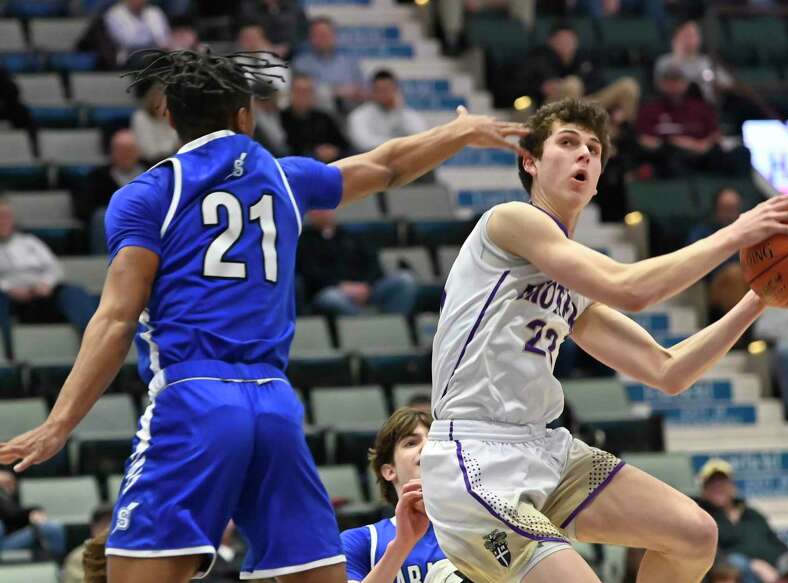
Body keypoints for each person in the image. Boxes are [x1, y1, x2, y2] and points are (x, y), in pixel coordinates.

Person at [0, 49, 525, 583]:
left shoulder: (148, 194)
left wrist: (60, 423)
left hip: (195, 396)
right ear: (246, 115)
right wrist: (458, 133)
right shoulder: (282, 177)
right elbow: (386, 165)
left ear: (168, 117)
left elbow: (115, 319)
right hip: (274, 403)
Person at [420, 97, 788, 583]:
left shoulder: (573, 280)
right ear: (530, 161)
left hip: (544, 448)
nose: (583, 154)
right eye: (567, 143)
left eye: (593, 148)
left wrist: (758, 298)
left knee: (694, 534)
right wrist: (736, 233)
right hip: (474, 457)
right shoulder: (510, 222)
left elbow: (667, 370)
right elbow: (633, 289)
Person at [341, 407, 469, 583]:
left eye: (434, 440)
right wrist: (402, 545)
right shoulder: (361, 541)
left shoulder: (480, 528)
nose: (428, 446)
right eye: (411, 443)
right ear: (389, 471)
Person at [696, 459, 788, 583]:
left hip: (779, 570)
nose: (717, 487)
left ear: (732, 486)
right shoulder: (702, 517)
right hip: (746, 572)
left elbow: (776, 542)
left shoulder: (751, 513)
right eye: (711, 484)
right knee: (738, 564)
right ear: (703, 489)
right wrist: (755, 565)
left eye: (722, 482)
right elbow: (710, 555)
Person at [0, 200, 98, 361]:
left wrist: (46, 284)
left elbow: (55, 268)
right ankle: (8, 357)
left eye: (6, 216)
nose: (3, 221)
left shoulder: (29, 242)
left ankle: (93, 350)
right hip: (9, 299)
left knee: (75, 293)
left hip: (42, 293)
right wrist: (8, 288)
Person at [636, 59, 748, 178]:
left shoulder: (700, 107)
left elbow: (714, 135)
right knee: (670, 161)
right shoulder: (649, 109)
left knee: (738, 155)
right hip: (668, 157)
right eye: (669, 80)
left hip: (701, 154)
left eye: (677, 80)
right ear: (661, 83)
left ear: (686, 83)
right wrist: (671, 143)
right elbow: (644, 139)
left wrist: (699, 145)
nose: (673, 85)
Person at [297, 209, 418, 317]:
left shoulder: (353, 237)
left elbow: (374, 266)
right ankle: (365, 323)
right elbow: (309, 273)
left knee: (405, 281)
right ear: (310, 213)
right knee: (331, 298)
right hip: (331, 291)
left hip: (367, 290)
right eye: (318, 208)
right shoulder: (303, 242)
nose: (323, 212)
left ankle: (391, 325)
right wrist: (340, 286)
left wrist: (366, 286)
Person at [517, 23, 640, 122]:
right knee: (572, 84)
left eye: (570, 39)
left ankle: (624, 132)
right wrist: (541, 88)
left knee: (628, 85)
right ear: (551, 41)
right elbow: (518, 88)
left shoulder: (585, 59)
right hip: (552, 107)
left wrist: (614, 108)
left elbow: (599, 83)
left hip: (586, 103)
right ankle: (573, 132)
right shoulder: (538, 59)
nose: (566, 43)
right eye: (562, 40)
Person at [75, 129, 145, 253]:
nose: (125, 155)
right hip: (114, 225)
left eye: (129, 150)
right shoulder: (97, 177)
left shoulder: (154, 173)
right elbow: (85, 209)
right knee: (100, 217)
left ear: (138, 152)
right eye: (120, 150)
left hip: (146, 222)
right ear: (112, 152)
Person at [687, 187, 750, 325]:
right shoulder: (702, 232)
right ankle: (741, 332)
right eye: (726, 209)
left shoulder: (749, 231)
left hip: (747, 279)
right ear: (716, 209)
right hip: (712, 284)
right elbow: (693, 262)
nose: (730, 214)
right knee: (734, 273)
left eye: (733, 209)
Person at [293, 17, 366, 113]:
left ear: (334, 36)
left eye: (326, 34)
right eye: (318, 35)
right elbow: (302, 95)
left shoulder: (350, 63)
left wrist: (356, 93)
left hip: (349, 114)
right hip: (315, 116)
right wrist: (335, 91)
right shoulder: (301, 64)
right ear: (310, 38)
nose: (323, 39)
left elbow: (365, 92)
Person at [348, 70, 429, 153]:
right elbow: (363, 143)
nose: (384, 94)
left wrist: (398, 110)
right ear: (372, 91)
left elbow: (420, 137)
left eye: (387, 89)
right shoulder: (359, 115)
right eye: (379, 90)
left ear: (396, 90)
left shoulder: (406, 114)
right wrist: (398, 144)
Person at [281, 73, 349, 163]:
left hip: (328, 165)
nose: (303, 95)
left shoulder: (324, 117)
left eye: (308, 91)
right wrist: (314, 152)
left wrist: (334, 151)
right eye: (299, 91)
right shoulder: (281, 117)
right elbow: (284, 148)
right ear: (290, 93)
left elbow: (344, 145)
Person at [0, 469, 66, 559]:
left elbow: (13, 514)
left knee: (53, 528)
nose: (9, 486)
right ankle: (55, 564)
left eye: (11, 484)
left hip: (9, 537)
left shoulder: (8, 498)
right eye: (6, 485)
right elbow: (13, 514)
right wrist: (31, 513)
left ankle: (53, 566)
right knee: (52, 528)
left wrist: (33, 512)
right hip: (3, 544)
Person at [103, 0, 170, 66]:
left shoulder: (155, 12)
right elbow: (128, 42)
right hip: (128, 55)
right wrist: (152, 40)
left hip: (157, 53)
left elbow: (163, 39)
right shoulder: (114, 14)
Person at [63, 504, 115, 583]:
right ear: (93, 528)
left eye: (113, 524)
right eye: (104, 524)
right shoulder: (78, 557)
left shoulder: (128, 554)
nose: (108, 530)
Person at [130, 81, 179, 164]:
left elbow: (177, 144)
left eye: (165, 102)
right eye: (158, 101)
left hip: (171, 161)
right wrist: (170, 149)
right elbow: (149, 151)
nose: (162, 105)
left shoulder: (171, 117)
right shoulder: (140, 117)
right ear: (151, 100)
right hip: (147, 163)